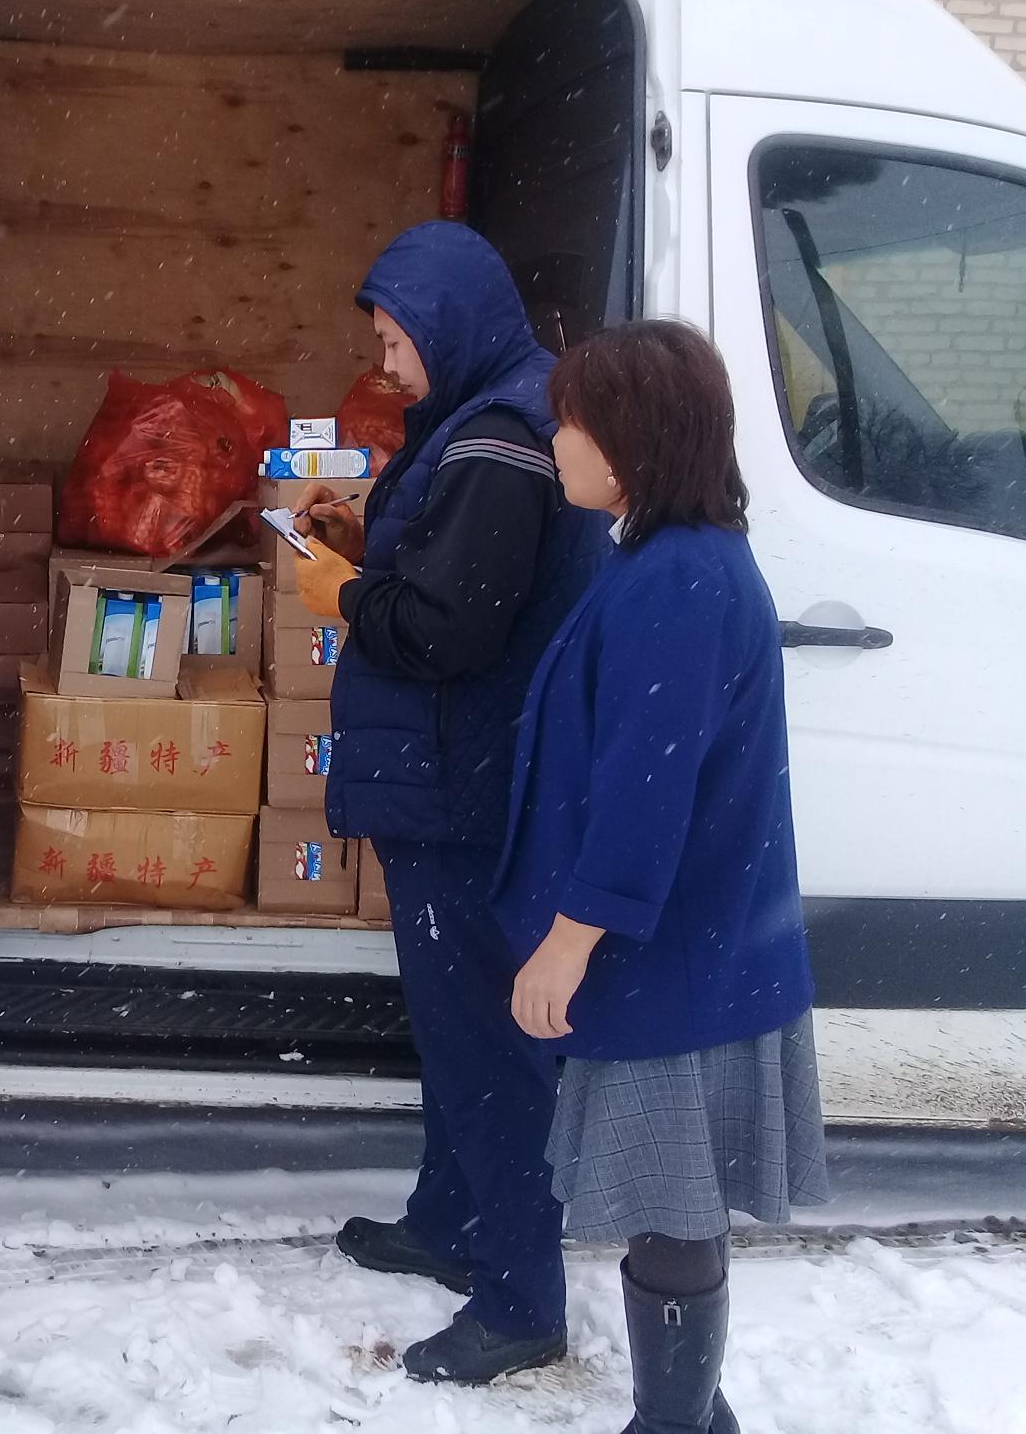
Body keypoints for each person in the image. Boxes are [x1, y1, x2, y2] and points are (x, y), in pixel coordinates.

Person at [496, 320, 829, 1433]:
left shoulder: (678, 579)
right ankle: (687, 1417)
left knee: (672, 1207)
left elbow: (645, 790)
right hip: (689, 945)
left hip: (671, 957)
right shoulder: (668, 558)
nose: (554, 442)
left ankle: (674, 1423)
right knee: (670, 1204)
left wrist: (568, 940)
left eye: (571, 422)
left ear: (632, 437)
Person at [290, 222, 608, 1384]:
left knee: (486, 1042)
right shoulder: (494, 414)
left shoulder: (497, 438)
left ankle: (519, 1296)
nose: (384, 366)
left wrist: (344, 591)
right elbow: (459, 574)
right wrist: (365, 540)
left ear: (449, 324)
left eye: (395, 342)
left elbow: (445, 629)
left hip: (464, 783)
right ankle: (448, 1219)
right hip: (460, 773)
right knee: (455, 1025)